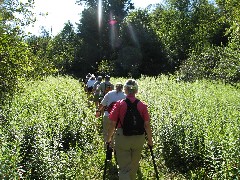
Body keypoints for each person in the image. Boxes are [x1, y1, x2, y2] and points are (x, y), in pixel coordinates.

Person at [106, 79, 153, 180]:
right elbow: (147, 125)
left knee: (124, 169)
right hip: (139, 139)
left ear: (125, 90)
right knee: (134, 167)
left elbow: (112, 124)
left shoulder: (119, 104)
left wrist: (109, 139)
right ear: (136, 91)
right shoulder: (143, 105)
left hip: (122, 138)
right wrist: (150, 141)